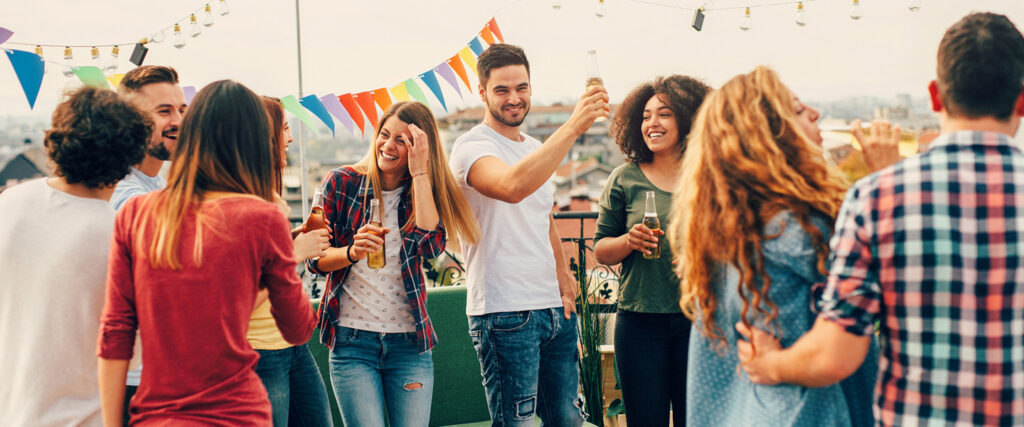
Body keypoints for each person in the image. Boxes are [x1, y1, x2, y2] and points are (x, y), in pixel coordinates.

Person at [737, 12, 1024, 426]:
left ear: (935, 95)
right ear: (1022, 98)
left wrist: (770, 365)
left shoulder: (876, 197)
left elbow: (836, 354)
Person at [668, 66, 878, 426]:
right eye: (797, 111)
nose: (815, 114)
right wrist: (884, 181)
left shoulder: (722, 234)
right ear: (768, 138)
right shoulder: (801, 230)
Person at [97, 80, 316, 425]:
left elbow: (115, 332)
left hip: (159, 415)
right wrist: (287, 253)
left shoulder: (135, 213)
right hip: (238, 413)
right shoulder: (264, 215)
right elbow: (298, 328)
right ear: (255, 142)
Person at [447, 43, 607, 426]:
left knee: (567, 419)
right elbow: (511, 186)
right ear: (482, 92)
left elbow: (542, 215)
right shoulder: (471, 147)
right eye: (502, 90)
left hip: (554, 309)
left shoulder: (535, 148)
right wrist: (573, 125)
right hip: (503, 311)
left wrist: (565, 281)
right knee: (515, 422)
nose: (514, 98)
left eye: (522, 87)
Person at [307, 101, 480, 426]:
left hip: (408, 346)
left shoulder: (423, 193)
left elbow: (428, 246)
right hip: (352, 343)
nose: (388, 145)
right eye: (384, 135)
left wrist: (420, 173)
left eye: (402, 140)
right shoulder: (341, 183)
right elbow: (314, 259)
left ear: (419, 147)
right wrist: (350, 253)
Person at [0, 87, 149, 426]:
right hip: (80, 417)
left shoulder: (11, 201)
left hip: (10, 409)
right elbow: (135, 352)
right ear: (129, 156)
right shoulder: (119, 237)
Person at [593, 75, 709, 426]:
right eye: (645, 116)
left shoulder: (708, 176)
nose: (652, 123)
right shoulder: (624, 178)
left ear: (688, 120)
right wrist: (629, 241)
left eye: (664, 114)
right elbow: (600, 249)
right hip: (639, 323)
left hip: (699, 321)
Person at [106, 65, 187, 421]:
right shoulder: (123, 192)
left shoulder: (164, 181)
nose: (178, 120)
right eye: (164, 111)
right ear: (130, 121)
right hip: (136, 382)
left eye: (182, 110)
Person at [245, 96, 332, 426]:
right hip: (260, 350)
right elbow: (240, 297)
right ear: (261, 135)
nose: (291, 138)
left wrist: (291, 241)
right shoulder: (244, 202)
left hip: (292, 344)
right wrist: (295, 254)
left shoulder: (270, 194)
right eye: (283, 128)